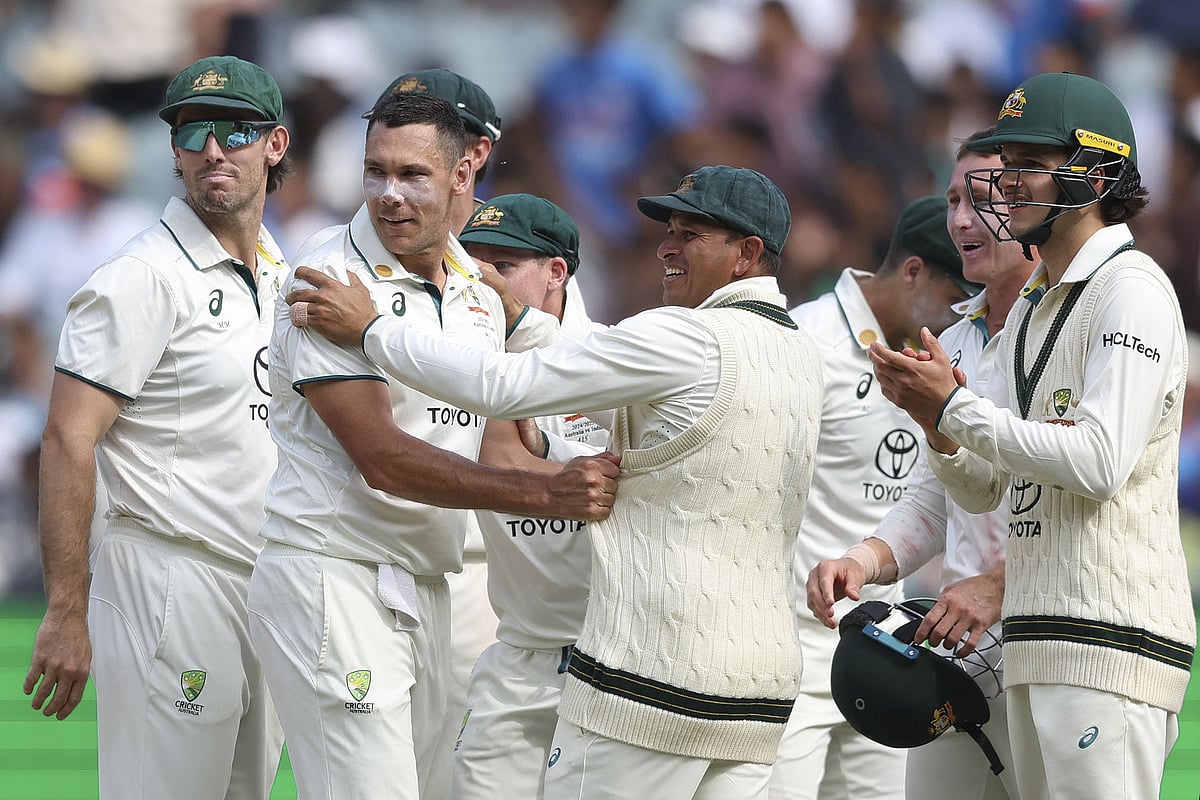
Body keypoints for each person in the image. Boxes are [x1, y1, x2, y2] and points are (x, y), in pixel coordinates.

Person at [288, 164, 825, 800]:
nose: (666, 246)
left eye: (691, 233)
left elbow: (502, 385)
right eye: (669, 229)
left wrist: (372, 330)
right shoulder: (800, 353)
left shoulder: (686, 336)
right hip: (756, 693)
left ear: (748, 253)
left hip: (652, 684)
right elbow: (644, 397)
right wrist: (518, 317)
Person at [246, 90, 618, 800]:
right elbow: (382, 458)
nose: (389, 194)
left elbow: (529, 383)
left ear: (462, 176)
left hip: (429, 583)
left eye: (413, 175)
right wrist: (549, 492)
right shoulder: (329, 278)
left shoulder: (480, 289)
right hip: (335, 572)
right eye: (374, 171)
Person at [869, 72, 1196, 800]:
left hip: (1112, 641)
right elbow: (986, 484)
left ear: (1097, 172)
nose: (1005, 186)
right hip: (1035, 641)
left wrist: (955, 411)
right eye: (1004, 166)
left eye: (1028, 165)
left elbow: (1100, 461)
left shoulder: (1132, 289)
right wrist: (939, 425)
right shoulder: (1031, 310)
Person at [23, 55, 293, 799]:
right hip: (168, 581)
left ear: (275, 144)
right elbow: (68, 439)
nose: (214, 148)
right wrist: (67, 612)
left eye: (235, 130)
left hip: (263, 586)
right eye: (195, 130)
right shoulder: (139, 277)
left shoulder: (280, 272)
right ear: (174, 151)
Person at [806, 127, 1034, 800]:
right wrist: (868, 561)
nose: (962, 218)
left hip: (1059, 643)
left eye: (984, 199)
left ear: (1035, 208)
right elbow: (935, 501)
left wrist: (1002, 584)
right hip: (957, 655)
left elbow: (1105, 484)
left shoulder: (1076, 326)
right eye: (953, 199)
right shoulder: (955, 341)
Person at [769, 193, 979, 800]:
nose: (957, 322)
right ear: (912, 271)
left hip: (885, 641)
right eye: (952, 301)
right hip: (789, 647)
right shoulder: (806, 342)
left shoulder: (946, 358)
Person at [359, 65, 506, 769]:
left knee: (457, 776)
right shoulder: (343, 268)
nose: (394, 190)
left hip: (473, 566)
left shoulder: (502, 274)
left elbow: (532, 402)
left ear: (471, 154)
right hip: (366, 558)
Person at [450, 192, 608, 800]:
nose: (482, 283)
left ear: (556, 271)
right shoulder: (463, 362)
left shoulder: (616, 356)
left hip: (610, 664)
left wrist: (543, 451)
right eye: (473, 265)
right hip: (516, 652)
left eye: (502, 266)